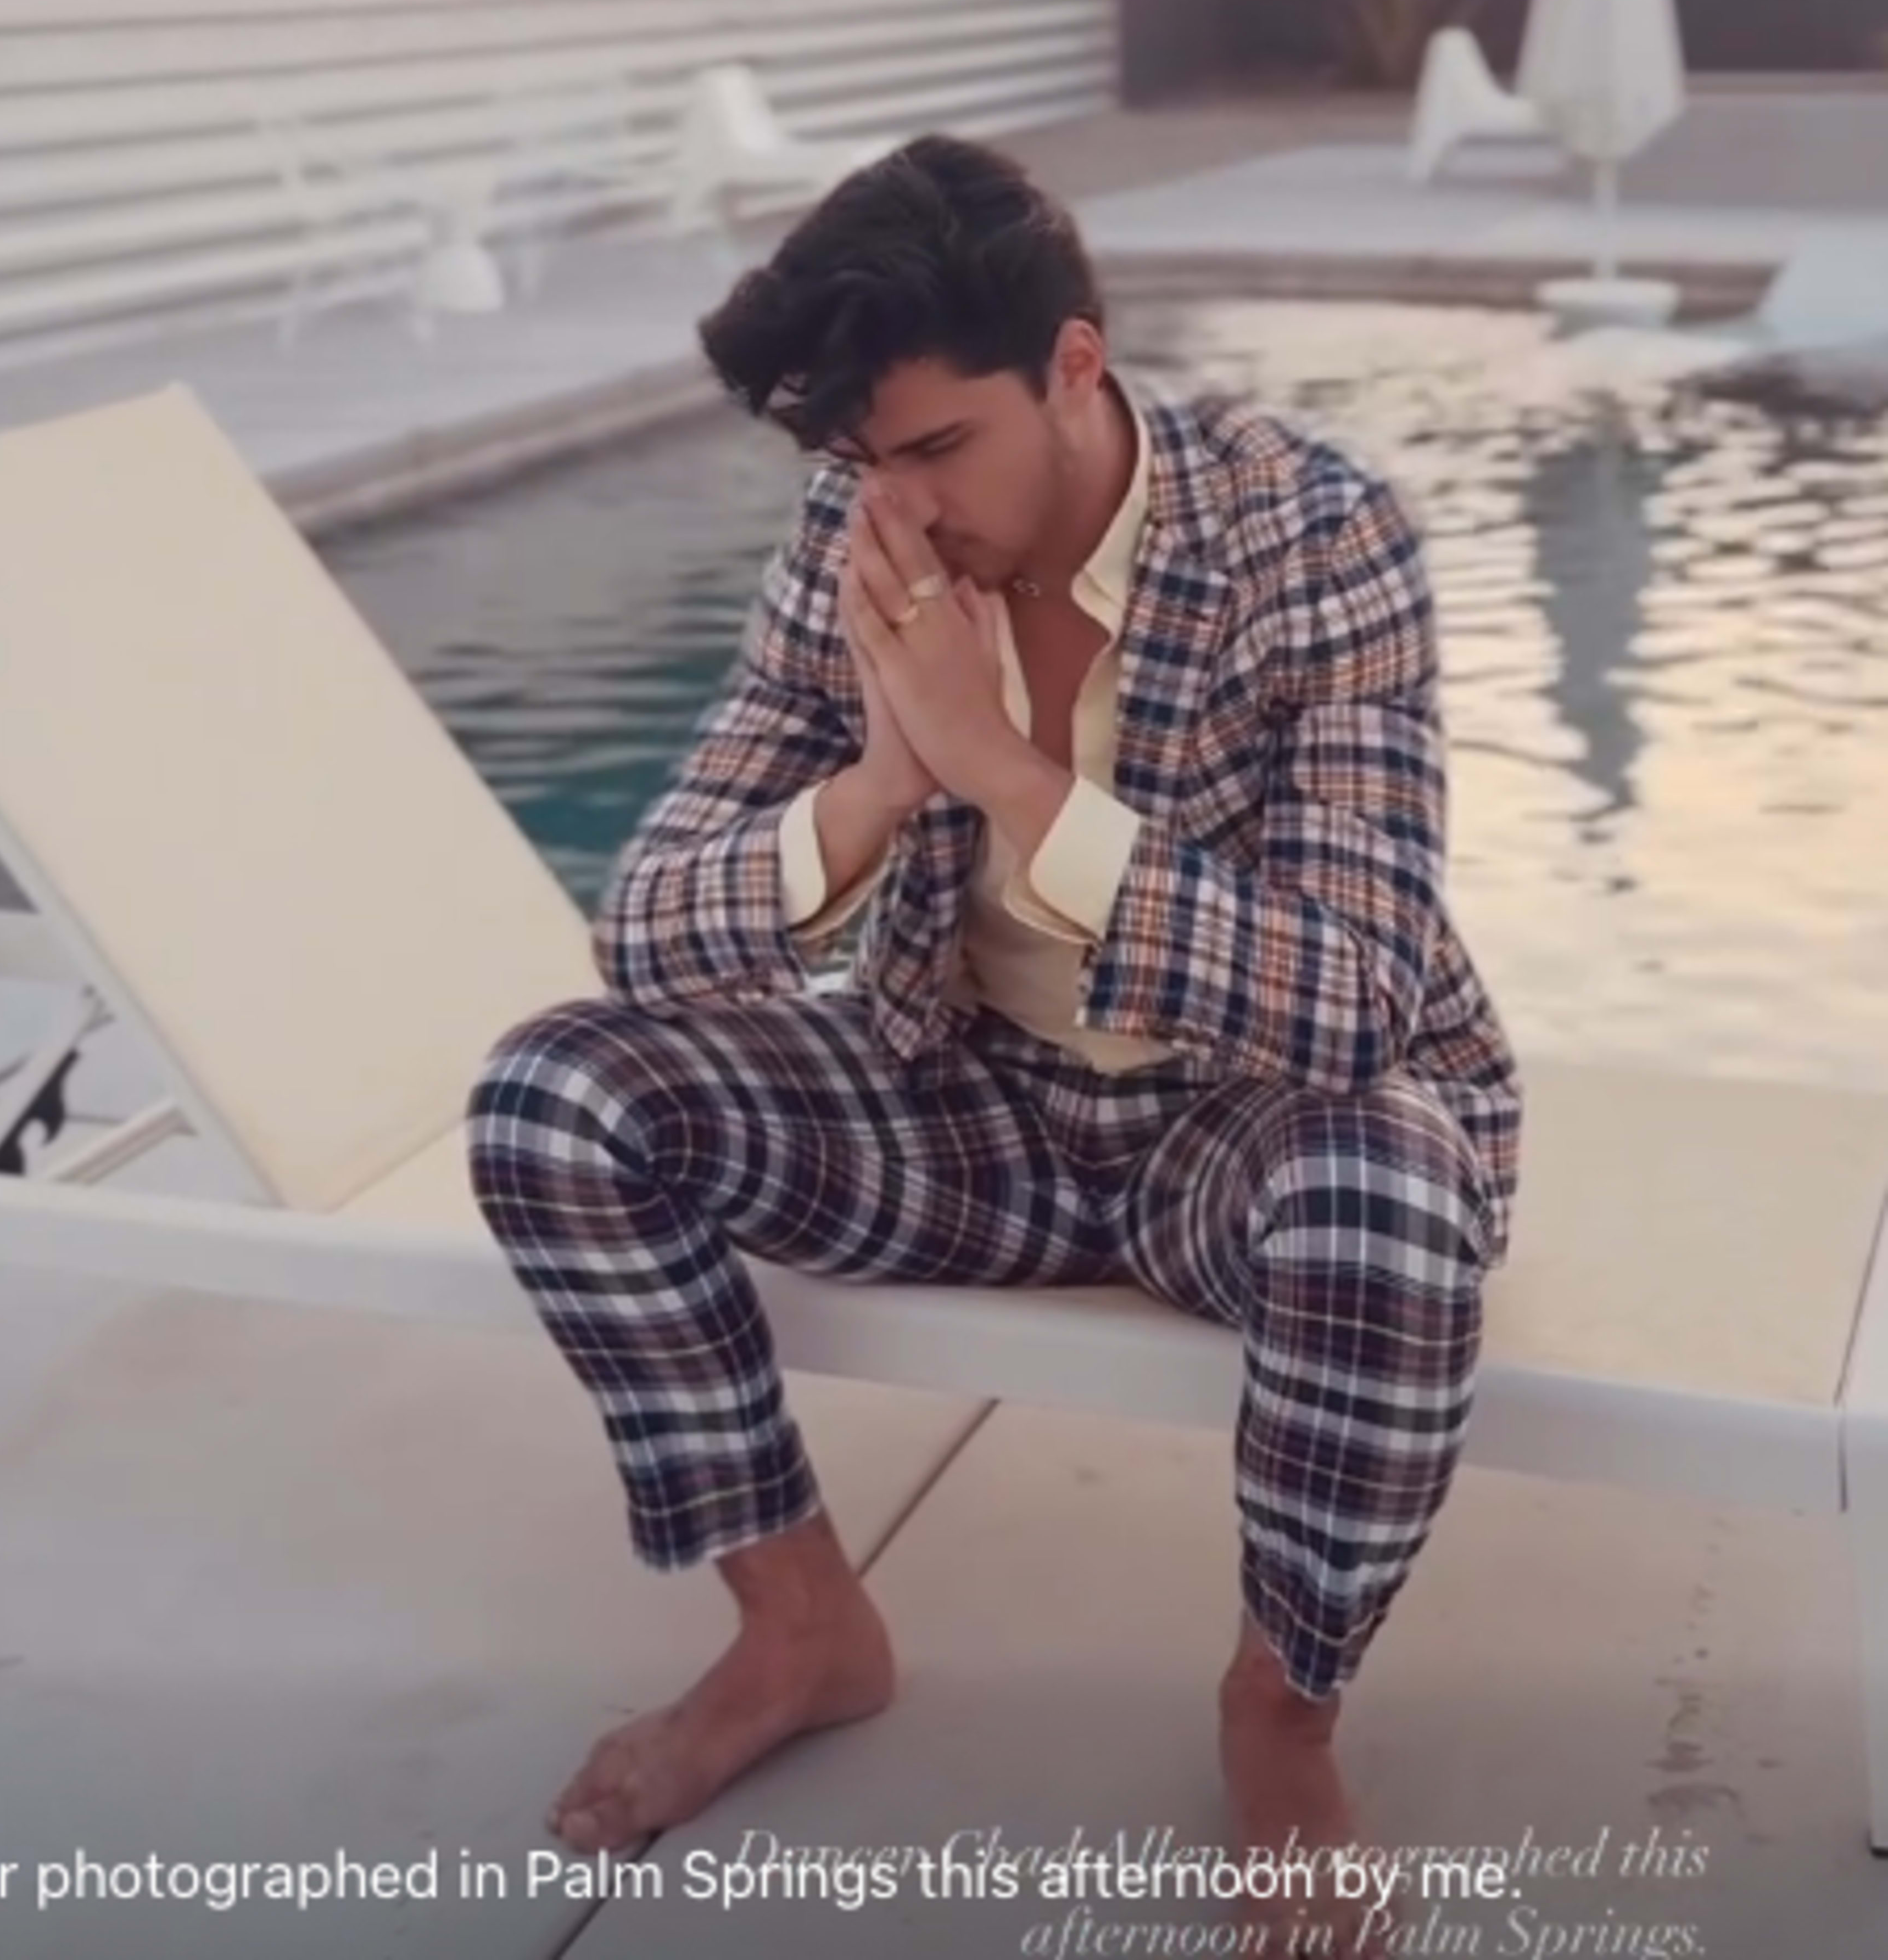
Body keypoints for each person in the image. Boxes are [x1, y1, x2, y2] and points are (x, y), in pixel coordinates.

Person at [467, 135, 1520, 1948]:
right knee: (558, 1096)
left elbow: (1359, 996)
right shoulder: (859, 541)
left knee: (1393, 1200)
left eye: (942, 447)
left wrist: (1013, 780)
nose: (907, 510)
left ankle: (1280, 1711)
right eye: (862, 464)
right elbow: (644, 924)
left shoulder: (1314, 534)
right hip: (968, 1111)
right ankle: (801, 1631)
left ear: (1079, 369)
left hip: (1244, 1125)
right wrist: (888, 776)